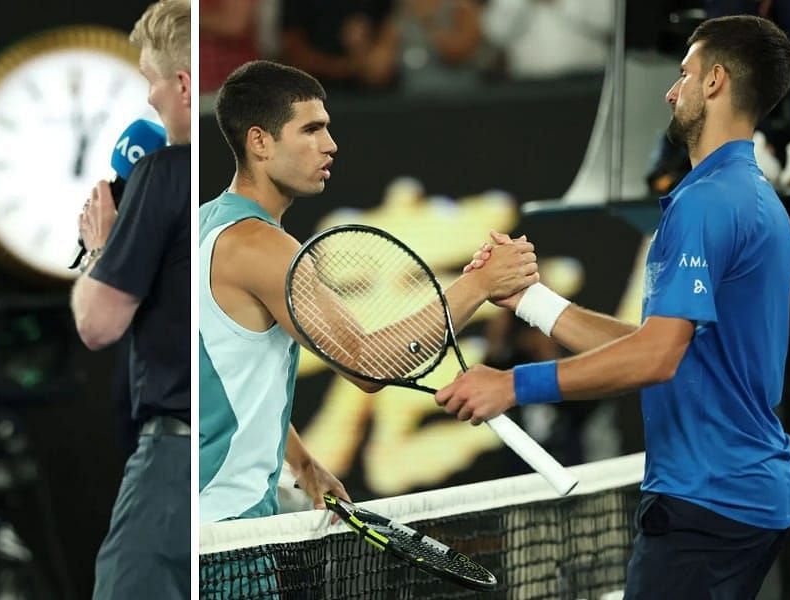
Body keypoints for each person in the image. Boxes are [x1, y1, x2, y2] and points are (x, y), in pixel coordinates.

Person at [442, 15, 790, 598]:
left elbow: (654, 358)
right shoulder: (754, 200)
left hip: (705, 504)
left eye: (684, 74)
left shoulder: (705, 203)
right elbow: (662, 349)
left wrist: (512, 385)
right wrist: (530, 300)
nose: (671, 89)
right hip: (741, 498)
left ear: (715, 83)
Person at [198, 59, 540, 527]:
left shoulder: (204, 227)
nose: (330, 145)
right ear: (260, 141)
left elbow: (227, 381)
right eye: (311, 130)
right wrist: (478, 284)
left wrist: (300, 462)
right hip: (228, 535)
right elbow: (367, 365)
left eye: (328, 128)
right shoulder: (261, 247)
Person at [69, 1, 191, 597]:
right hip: (250, 464)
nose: (149, 100)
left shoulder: (164, 172)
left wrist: (99, 247)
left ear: (183, 84)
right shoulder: (246, 179)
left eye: (152, 80)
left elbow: (98, 325)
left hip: (177, 466)